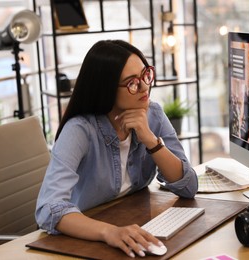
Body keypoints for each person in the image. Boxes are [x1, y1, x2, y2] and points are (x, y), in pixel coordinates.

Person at [35, 40, 198, 258]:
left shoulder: (153, 114)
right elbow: (49, 209)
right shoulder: (80, 130)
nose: (144, 87)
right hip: (80, 242)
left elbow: (188, 187)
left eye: (145, 75)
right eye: (132, 82)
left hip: (130, 226)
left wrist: (150, 139)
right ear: (106, 89)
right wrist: (109, 232)